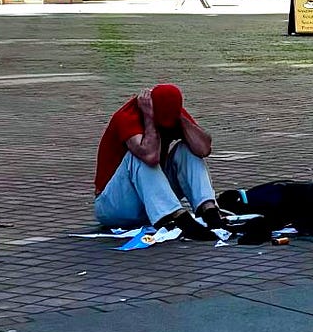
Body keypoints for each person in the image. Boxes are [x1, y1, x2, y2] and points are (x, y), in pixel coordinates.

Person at [93, 83, 233, 240]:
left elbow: (204, 149)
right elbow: (150, 156)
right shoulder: (127, 116)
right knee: (141, 156)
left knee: (187, 149)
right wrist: (149, 118)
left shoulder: (173, 112)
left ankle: (209, 210)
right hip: (114, 206)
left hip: (150, 205)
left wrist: (179, 116)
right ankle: (180, 218)